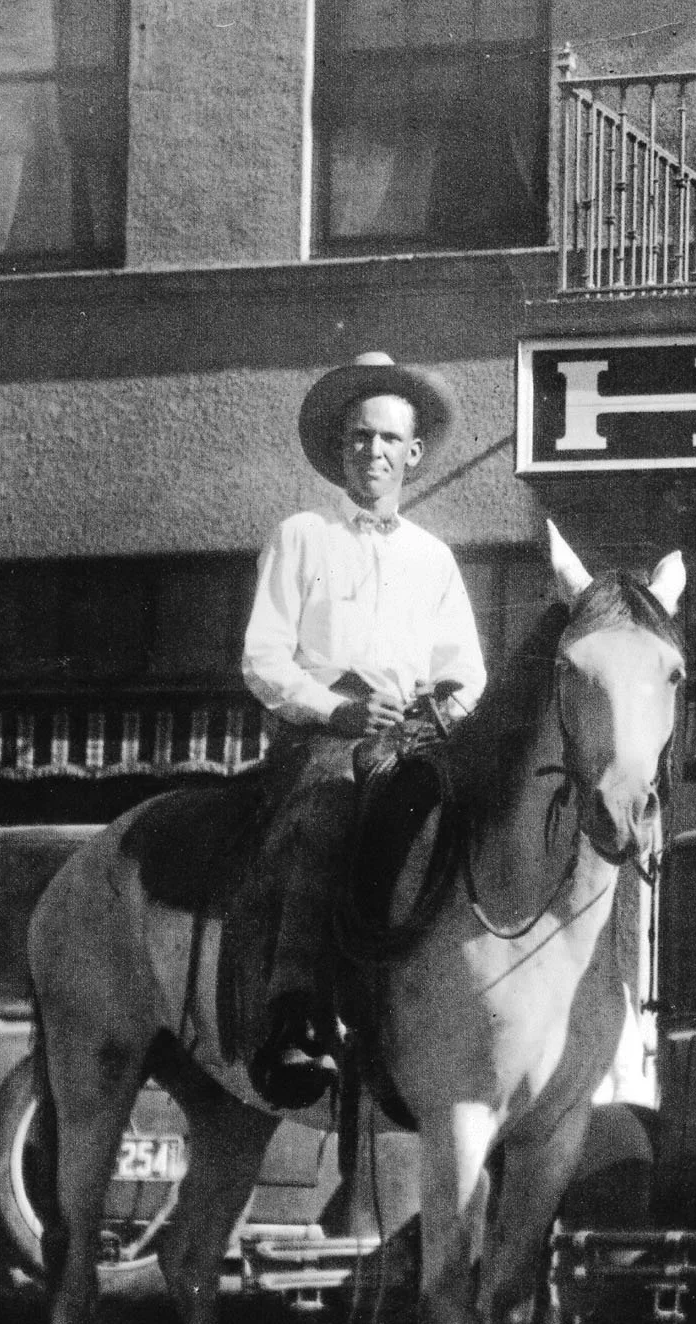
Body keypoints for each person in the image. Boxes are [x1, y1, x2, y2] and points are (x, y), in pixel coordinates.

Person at [241, 352, 486, 1109]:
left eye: (386, 440)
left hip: (411, 735)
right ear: (339, 449)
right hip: (322, 738)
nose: (371, 453)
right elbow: (262, 659)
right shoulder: (301, 536)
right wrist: (340, 712)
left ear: (412, 454)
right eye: (357, 439)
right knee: (332, 811)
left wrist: (431, 715)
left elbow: (467, 673)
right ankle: (294, 1017)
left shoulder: (433, 559)